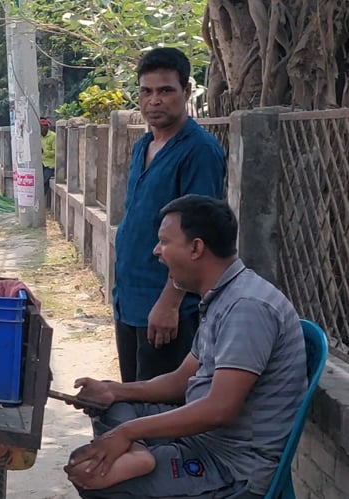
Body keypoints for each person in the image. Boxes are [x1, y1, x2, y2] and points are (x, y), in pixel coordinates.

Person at [65, 195, 307, 499]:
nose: (157, 251)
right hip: (201, 438)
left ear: (196, 248)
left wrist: (127, 432)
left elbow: (220, 409)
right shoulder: (222, 295)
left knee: (95, 476)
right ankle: (138, 453)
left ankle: (136, 455)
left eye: (164, 241)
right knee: (110, 407)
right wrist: (113, 390)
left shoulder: (246, 308)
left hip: (230, 467)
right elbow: (181, 381)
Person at [112, 47, 226, 383]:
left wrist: (170, 302)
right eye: (146, 92)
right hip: (129, 303)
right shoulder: (142, 146)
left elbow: (197, 237)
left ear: (187, 91)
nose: (154, 101)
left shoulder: (199, 151)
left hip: (166, 310)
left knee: (160, 412)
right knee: (132, 399)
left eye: (165, 91)